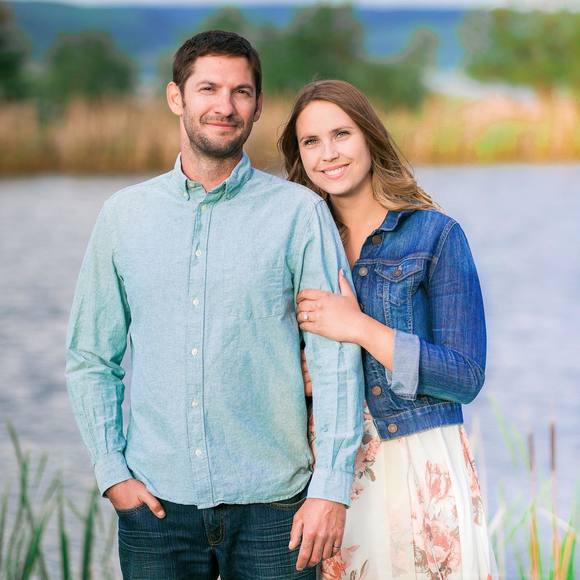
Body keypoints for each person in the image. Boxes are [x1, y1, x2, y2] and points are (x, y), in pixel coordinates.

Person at [65, 32, 364, 579]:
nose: (224, 106)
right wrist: (112, 473)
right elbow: (90, 357)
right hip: (156, 506)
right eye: (208, 88)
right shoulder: (123, 217)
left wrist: (331, 488)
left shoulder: (299, 214)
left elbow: (335, 357)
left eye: (241, 92)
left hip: (277, 507)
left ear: (258, 105)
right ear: (176, 97)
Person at [279, 79, 497, 579]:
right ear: (299, 155)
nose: (328, 154)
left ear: (369, 137)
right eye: (311, 141)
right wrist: (299, 378)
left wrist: (359, 328)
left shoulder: (435, 234)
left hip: (415, 460)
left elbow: (465, 377)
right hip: (325, 472)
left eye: (341, 134)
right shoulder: (297, 247)